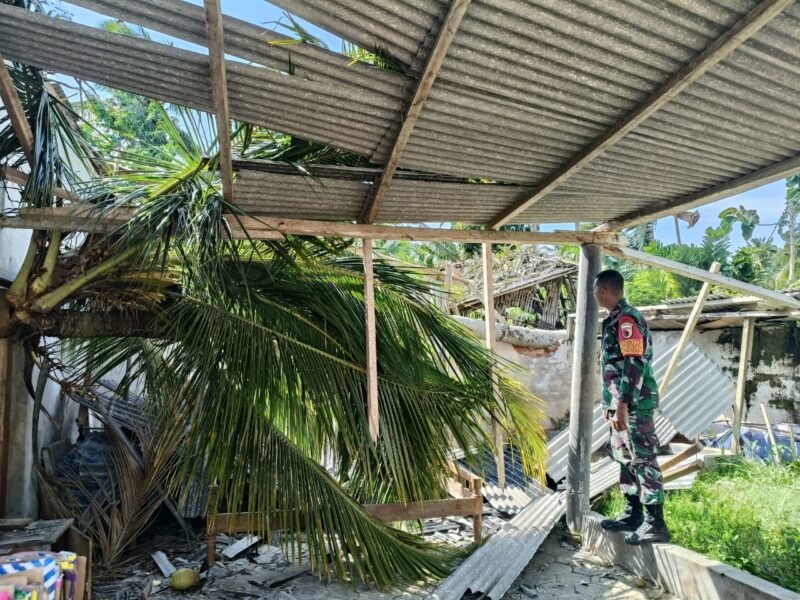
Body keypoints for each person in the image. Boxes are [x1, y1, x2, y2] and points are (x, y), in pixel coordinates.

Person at [594, 269, 670, 545]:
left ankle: (656, 523)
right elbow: (611, 367)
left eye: (595, 291)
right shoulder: (614, 319)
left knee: (643, 458)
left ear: (603, 291)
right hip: (620, 404)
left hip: (635, 403)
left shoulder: (627, 319)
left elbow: (634, 362)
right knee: (624, 457)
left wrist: (623, 404)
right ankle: (633, 513)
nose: (594, 295)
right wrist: (610, 404)